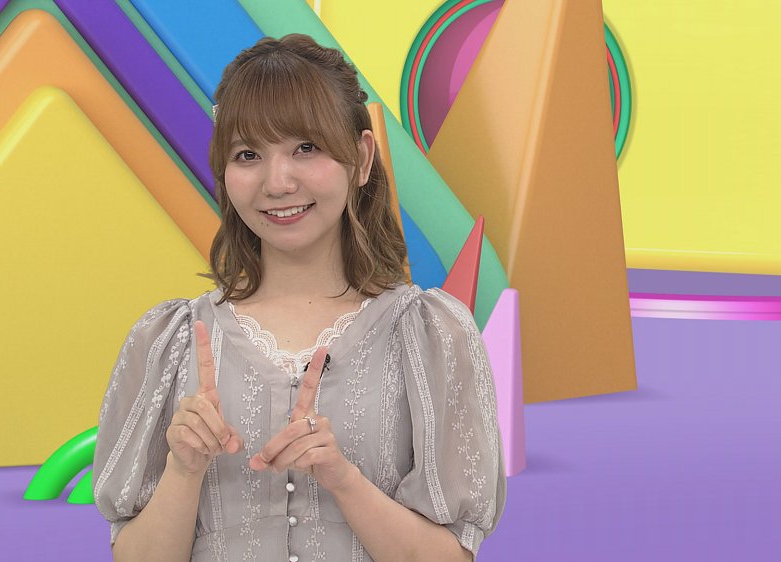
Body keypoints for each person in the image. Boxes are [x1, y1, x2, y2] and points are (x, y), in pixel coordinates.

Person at [93, 34, 505, 562]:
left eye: (305, 148)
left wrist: (342, 479)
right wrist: (183, 469)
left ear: (361, 158)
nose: (278, 182)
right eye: (248, 155)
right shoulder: (168, 342)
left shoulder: (431, 334)